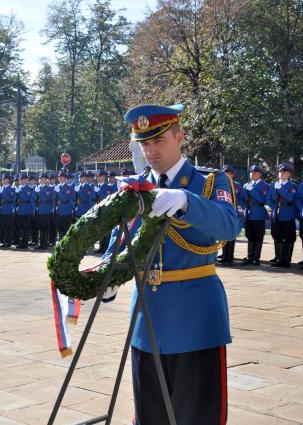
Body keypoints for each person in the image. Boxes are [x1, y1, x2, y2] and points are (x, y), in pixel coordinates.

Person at [118, 103, 239, 425]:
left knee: (196, 415)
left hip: (195, 319)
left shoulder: (209, 183)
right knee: (149, 415)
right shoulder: (136, 187)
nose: (150, 150)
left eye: (158, 141)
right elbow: (124, 237)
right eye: (144, 143)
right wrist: (108, 274)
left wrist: (188, 201)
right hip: (146, 319)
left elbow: (228, 227)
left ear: (179, 137)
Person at [267, 163, 298, 268]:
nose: (281, 173)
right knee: (277, 236)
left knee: (288, 238)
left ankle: (286, 260)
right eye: (280, 171)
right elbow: (268, 199)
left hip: (288, 214)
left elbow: (290, 198)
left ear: (288, 174)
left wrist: (280, 189)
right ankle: (279, 259)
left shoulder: (292, 186)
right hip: (277, 214)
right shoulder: (273, 185)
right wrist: (274, 207)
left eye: (284, 172)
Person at [240, 165, 269, 265]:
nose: (252, 174)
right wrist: (244, 208)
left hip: (259, 213)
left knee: (258, 235)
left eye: (255, 172)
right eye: (251, 172)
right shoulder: (245, 185)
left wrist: (252, 190)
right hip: (248, 213)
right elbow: (241, 199)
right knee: (249, 235)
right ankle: (249, 256)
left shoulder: (265, 186)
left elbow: (262, 199)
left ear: (260, 174)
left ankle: (256, 258)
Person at [217, 165, 243, 265]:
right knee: (223, 234)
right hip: (222, 212)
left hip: (233, 213)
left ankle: (230, 257)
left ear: (232, 174)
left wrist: (240, 212)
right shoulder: (219, 184)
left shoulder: (237, 186)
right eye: (225, 173)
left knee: (231, 234)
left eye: (228, 173)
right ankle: (224, 255)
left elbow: (241, 199)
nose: (226, 174)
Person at [35, 172, 55, 250]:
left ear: (46, 180)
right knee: (41, 228)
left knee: (45, 228)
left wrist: (38, 192)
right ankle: (41, 244)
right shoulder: (37, 187)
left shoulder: (49, 189)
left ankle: (45, 244)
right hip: (39, 209)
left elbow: (45, 198)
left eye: (42, 178)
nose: (41, 180)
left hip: (46, 209)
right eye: (40, 178)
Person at [15, 173, 35, 249]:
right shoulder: (19, 188)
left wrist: (19, 192)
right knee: (21, 227)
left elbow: (27, 198)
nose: (22, 181)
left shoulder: (29, 189)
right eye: (21, 180)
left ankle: (25, 243)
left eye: (23, 180)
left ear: (26, 180)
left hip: (27, 209)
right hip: (20, 209)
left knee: (26, 227)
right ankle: (21, 242)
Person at [54, 171, 75, 242]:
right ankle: (60, 243)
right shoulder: (57, 186)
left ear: (65, 178)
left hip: (66, 211)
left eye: (62, 177)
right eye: (59, 177)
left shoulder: (68, 188)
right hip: (59, 211)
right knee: (60, 229)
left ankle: (66, 244)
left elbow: (65, 198)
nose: (60, 178)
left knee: (66, 230)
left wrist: (59, 191)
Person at [0, 174, 16, 248]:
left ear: (8, 180)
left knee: (9, 227)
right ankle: (4, 241)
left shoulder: (11, 188)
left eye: (5, 179)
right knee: (4, 227)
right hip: (2, 209)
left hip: (8, 208)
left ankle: (8, 242)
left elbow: (11, 198)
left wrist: (3, 192)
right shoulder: (1, 188)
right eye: (3, 179)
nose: (3, 180)